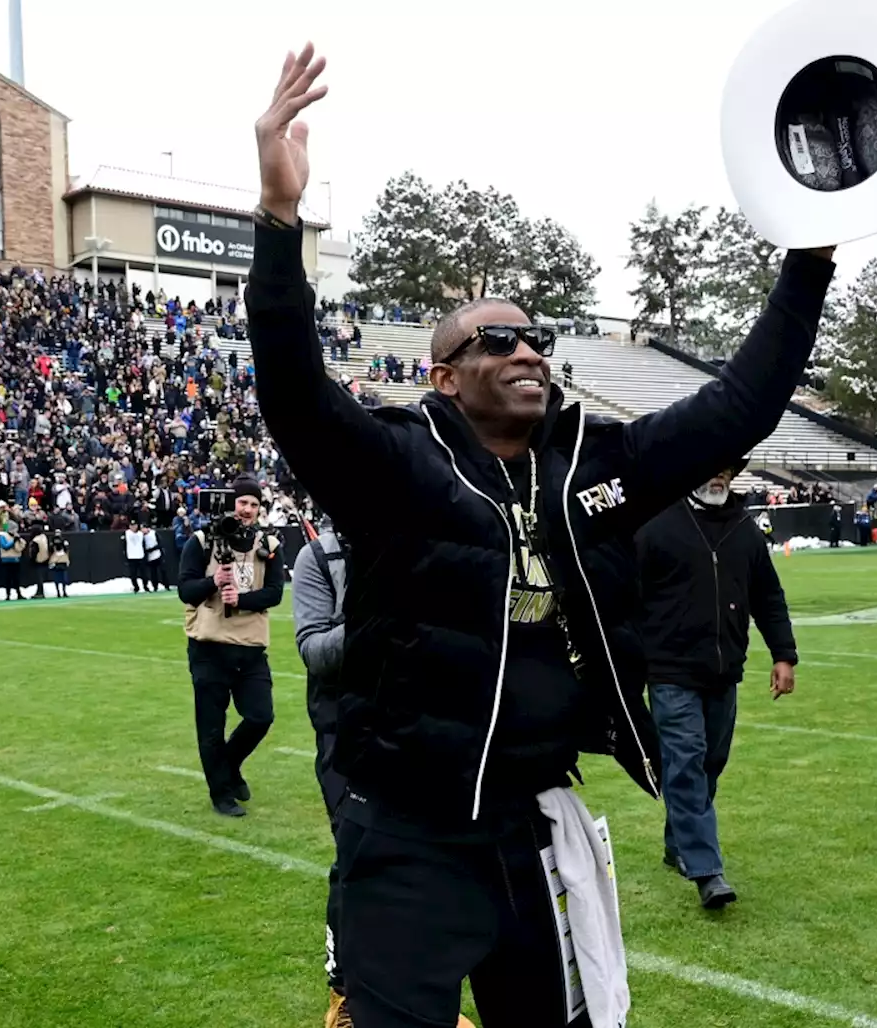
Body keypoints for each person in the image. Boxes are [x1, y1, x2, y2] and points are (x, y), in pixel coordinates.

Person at [246, 43, 833, 1028]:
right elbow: (294, 394)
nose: (526, 348)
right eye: (495, 339)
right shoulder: (398, 466)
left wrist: (807, 262)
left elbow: (737, 408)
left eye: (535, 336)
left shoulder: (594, 467)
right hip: (410, 831)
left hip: (532, 823)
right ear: (441, 375)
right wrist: (277, 220)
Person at [635, 463, 797, 908]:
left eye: (726, 468)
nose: (718, 476)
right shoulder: (655, 524)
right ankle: (707, 870)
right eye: (709, 466)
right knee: (685, 760)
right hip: (669, 670)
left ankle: (678, 842)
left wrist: (784, 654)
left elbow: (768, 594)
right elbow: (626, 596)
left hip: (725, 669)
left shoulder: (745, 528)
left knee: (710, 761)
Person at [177, 476, 285, 817]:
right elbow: (185, 590)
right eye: (243, 503)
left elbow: (276, 593)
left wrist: (240, 599)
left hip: (251, 646)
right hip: (210, 647)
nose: (248, 510)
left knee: (260, 716)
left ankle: (229, 764)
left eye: (254, 504)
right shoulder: (201, 541)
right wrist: (214, 582)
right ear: (230, 504)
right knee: (211, 726)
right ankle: (221, 794)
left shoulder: (268, 544)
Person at [290, 525, 352, 1028]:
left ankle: (422, 991)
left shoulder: (420, 538)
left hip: (419, 729)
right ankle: (344, 991)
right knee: (355, 857)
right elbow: (313, 650)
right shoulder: (319, 557)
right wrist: (378, 611)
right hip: (346, 735)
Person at [124, 520, 148, 592]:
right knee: (133, 574)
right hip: (131, 557)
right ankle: (136, 587)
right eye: (132, 525)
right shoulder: (127, 533)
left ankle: (145, 587)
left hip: (140, 556)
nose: (133, 527)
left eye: (134, 525)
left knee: (144, 574)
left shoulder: (141, 534)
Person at [49, 530, 71, 598]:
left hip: (59, 560)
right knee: (60, 578)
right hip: (59, 560)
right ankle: (61, 592)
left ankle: (61, 592)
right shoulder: (56, 541)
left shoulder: (55, 541)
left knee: (59, 578)